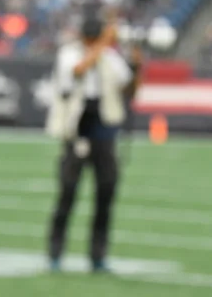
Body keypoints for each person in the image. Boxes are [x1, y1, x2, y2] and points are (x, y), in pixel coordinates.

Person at [45, 15, 141, 273]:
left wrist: (136, 66)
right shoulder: (69, 54)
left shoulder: (110, 57)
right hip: (76, 129)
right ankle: (55, 252)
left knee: (105, 194)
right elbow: (77, 71)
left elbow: (129, 89)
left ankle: (98, 255)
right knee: (67, 192)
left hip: (103, 129)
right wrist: (103, 45)